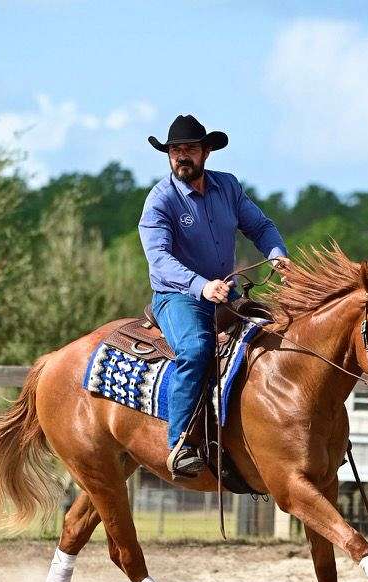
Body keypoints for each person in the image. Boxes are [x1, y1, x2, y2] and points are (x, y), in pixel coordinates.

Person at [139, 114, 287, 477]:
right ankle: (181, 443)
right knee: (197, 349)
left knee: (278, 335)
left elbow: (260, 226)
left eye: (189, 148)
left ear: (206, 152)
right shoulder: (160, 200)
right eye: (174, 150)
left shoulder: (228, 188)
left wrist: (276, 252)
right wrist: (201, 286)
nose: (181, 156)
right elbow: (158, 259)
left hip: (225, 295)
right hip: (177, 297)